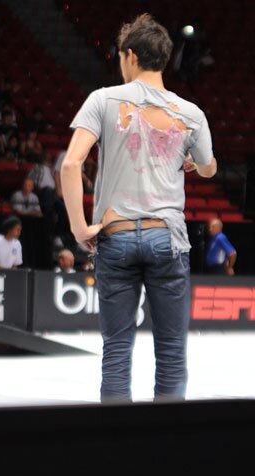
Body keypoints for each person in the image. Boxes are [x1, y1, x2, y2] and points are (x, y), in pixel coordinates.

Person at [60, 14, 217, 403]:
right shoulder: (191, 113)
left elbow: (69, 164)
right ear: (163, 59)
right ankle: (167, 446)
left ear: (130, 56)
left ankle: (117, 448)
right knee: (171, 353)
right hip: (167, 238)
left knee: (115, 354)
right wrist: (194, 162)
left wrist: (80, 228)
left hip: (116, 237)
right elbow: (211, 168)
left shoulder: (103, 99)